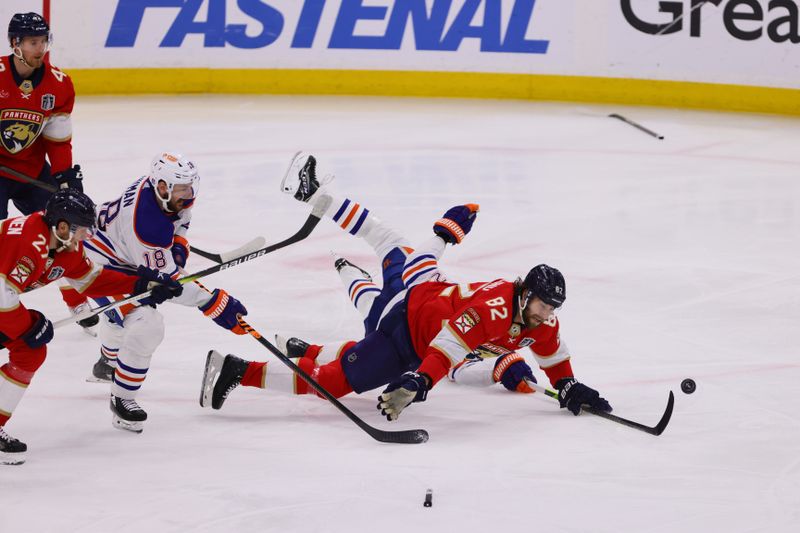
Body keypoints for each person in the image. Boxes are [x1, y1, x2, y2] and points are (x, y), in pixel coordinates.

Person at [200, 152, 611, 423]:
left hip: (424, 298)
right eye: (541, 305)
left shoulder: (540, 321)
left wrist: (570, 385)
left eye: (551, 309)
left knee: (389, 252)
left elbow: (553, 358)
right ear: (525, 294)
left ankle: (302, 349)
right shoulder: (493, 309)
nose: (545, 315)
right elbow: (448, 347)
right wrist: (421, 380)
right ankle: (246, 366)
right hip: (405, 322)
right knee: (363, 322)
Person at [0, 189, 182, 465]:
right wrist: (29, 326)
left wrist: (141, 283)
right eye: (83, 230)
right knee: (29, 343)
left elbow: (92, 281)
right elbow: (2, 295)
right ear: (63, 226)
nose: (88, 236)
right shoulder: (29, 241)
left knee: (30, 351)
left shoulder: (65, 246)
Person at [83, 152, 249, 433]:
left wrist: (178, 251)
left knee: (119, 316)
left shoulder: (164, 195)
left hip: (120, 252)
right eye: (183, 188)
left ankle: (107, 362)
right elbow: (168, 283)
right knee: (146, 324)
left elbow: (180, 222)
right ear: (162, 186)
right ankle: (122, 401)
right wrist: (212, 303)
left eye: (191, 186)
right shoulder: (146, 225)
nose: (190, 193)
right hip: (100, 266)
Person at [0, 12, 96, 334]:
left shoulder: (58, 83)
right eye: (32, 42)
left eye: (43, 41)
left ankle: (75, 297)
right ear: (15, 44)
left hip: (32, 172)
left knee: (64, 235)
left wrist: (65, 176)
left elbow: (57, 140)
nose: (40, 49)